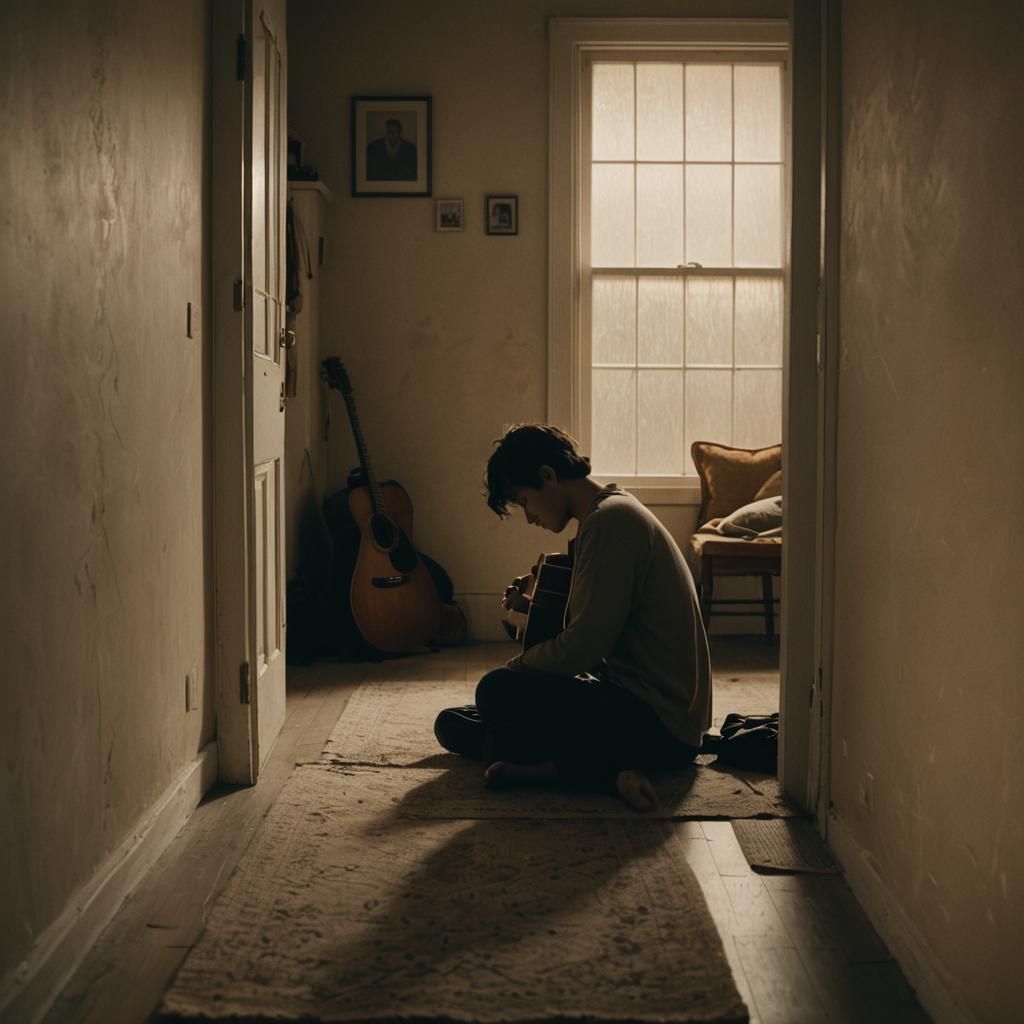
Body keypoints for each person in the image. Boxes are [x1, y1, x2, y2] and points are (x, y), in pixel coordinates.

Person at [433, 424, 712, 812]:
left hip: (660, 725)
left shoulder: (611, 522)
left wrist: (518, 666)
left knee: (495, 690)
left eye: (525, 501)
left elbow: (582, 650)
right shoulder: (610, 513)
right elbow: (592, 625)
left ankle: (578, 770)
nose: (529, 517)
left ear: (547, 477)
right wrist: (530, 609)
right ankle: (584, 763)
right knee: (453, 722)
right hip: (649, 715)